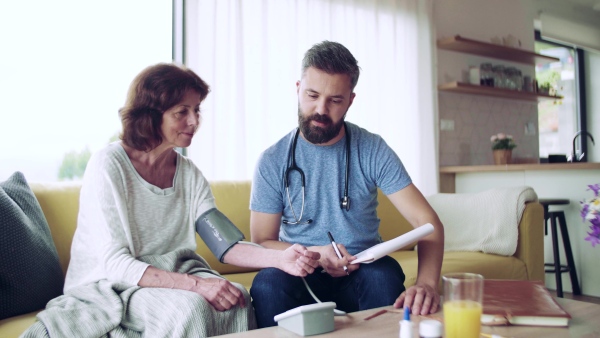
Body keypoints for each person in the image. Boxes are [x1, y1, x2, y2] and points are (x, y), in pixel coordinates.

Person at [22, 63, 320, 338]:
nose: (194, 121)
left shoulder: (189, 174)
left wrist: (282, 258)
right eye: (182, 112)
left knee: (237, 298)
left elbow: (224, 244)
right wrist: (200, 286)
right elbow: (114, 263)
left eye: (197, 110)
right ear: (151, 115)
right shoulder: (108, 165)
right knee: (192, 307)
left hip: (173, 274)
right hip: (109, 284)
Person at [249, 41, 444, 328]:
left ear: (351, 100)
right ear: (297, 88)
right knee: (267, 283)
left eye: (335, 100)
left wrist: (428, 283)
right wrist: (315, 254)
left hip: (363, 271)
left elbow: (427, 222)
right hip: (301, 272)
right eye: (312, 95)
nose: (320, 109)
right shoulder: (272, 160)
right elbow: (262, 241)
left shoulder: (372, 149)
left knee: (383, 276)